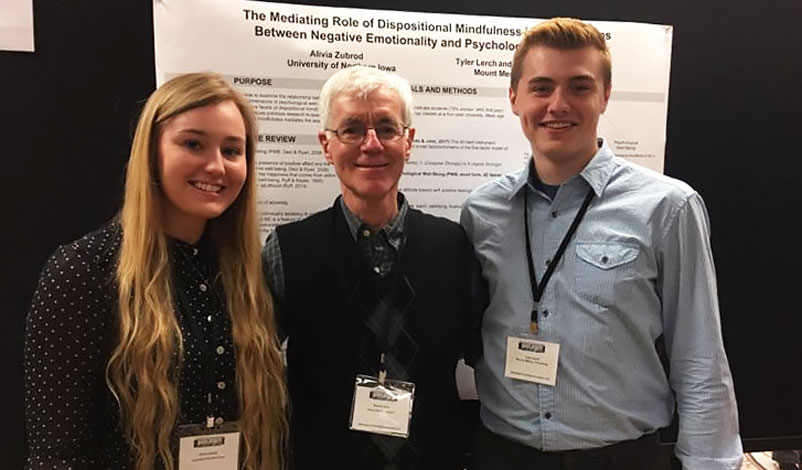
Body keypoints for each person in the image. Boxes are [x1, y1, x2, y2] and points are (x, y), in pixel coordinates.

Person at [460, 17, 743, 470]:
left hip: (620, 459)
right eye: (541, 87)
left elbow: (700, 359)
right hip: (503, 454)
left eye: (578, 86)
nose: (558, 104)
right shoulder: (483, 212)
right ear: (514, 98)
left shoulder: (668, 207)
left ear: (605, 96)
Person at [24, 72, 287, 470]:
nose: (216, 166)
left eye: (232, 150)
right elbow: (58, 455)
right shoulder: (83, 271)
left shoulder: (243, 275)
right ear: (151, 152)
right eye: (193, 144)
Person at [262, 66, 485, 469]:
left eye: (386, 128)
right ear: (327, 146)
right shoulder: (287, 250)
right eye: (351, 129)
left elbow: (484, 358)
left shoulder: (454, 248)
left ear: (409, 141)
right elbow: (253, 366)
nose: (371, 144)